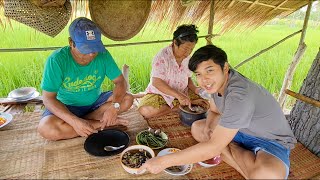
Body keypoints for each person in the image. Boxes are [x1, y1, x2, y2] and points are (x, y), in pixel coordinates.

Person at [138, 45, 297, 179]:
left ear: (225, 67)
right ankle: (241, 161)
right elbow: (214, 111)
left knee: (267, 175)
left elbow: (212, 148)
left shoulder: (239, 95)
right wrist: (208, 127)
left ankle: (232, 151)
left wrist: (163, 161)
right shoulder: (216, 85)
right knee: (198, 129)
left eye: (209, 71)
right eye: (198, 74)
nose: (204, 80)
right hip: (238, 131)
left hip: (268, 141)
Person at [37, 17, 133, 141]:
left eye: (95, 47)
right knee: (46, 129)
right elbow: (48, 98)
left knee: (127, 99)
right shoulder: (57, 60)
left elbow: (120, 82)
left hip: (95, 103)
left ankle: (85, 124)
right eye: (86, 49)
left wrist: (114, 107)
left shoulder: (103, 55)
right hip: (67, 106)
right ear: (71, 43)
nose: (92, 54)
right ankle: (99, 124)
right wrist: (74, 121)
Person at [138, 24, 203, 118]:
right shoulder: (162, 57)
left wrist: (196, 89)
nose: (188, 53)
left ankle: (181, 104)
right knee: (145, 110)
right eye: (185, 49)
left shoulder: (188, 58)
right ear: (175, 43)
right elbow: (156, 82)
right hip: (161, 94)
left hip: (183, 92)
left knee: (204, 101)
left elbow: (188, 78)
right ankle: (177, 107)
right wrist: (178, 96)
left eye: (191, 49)